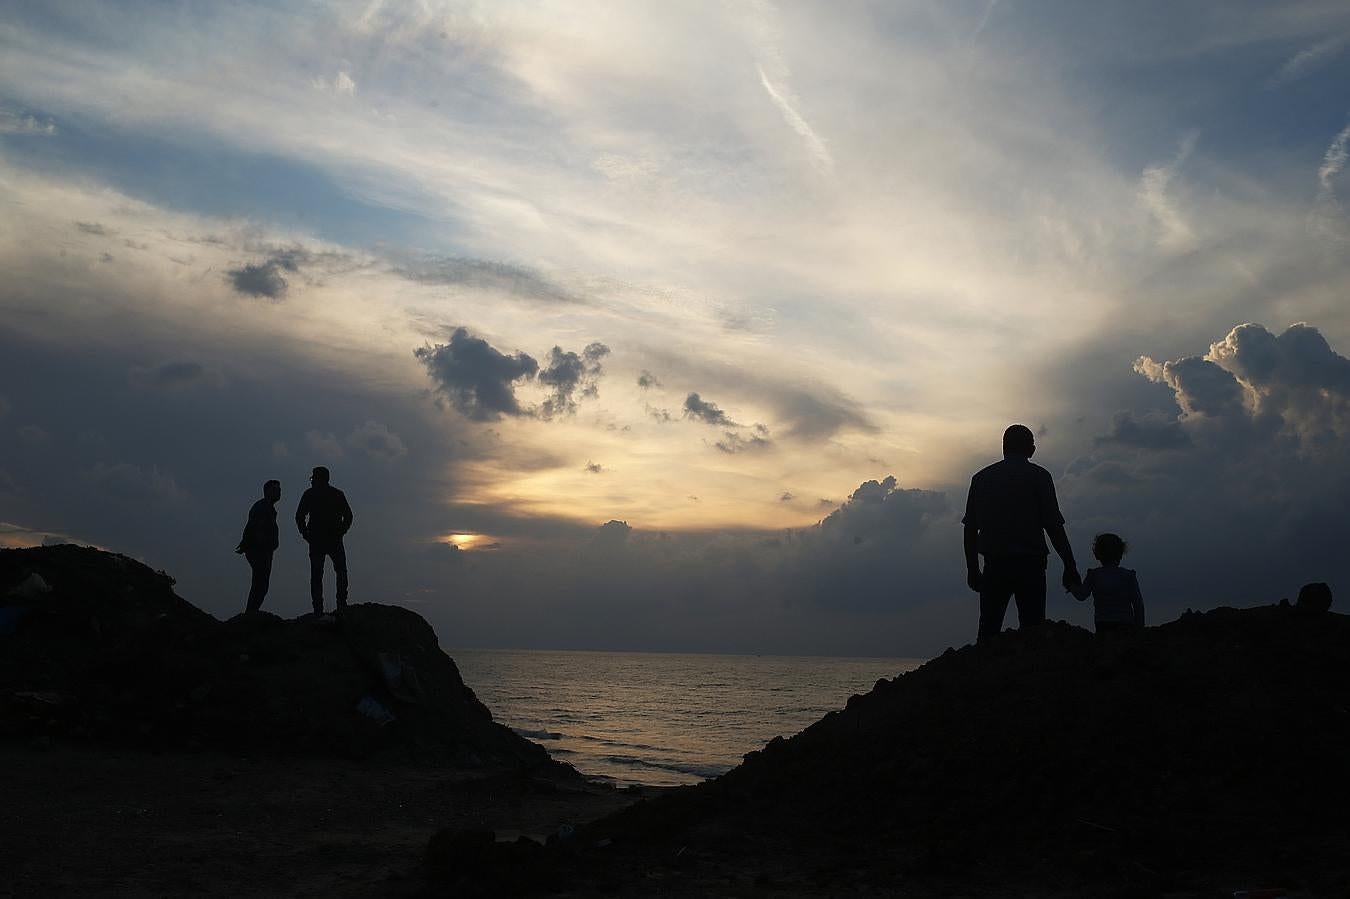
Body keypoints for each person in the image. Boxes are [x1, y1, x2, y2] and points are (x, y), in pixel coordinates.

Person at [963, 424, 1080, 642]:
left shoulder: (982, 478)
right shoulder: (1039, 477)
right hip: (1031, 564)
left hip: (995, 564)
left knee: (988, 630)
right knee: (1033, 629)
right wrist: (1069, 564)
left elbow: (970, 528)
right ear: (1030, 449)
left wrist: (972, 568)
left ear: (1004, 448)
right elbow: (1053, 525)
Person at [295, 466, 354, 615]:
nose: (312, 481)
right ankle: (341, 604)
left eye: (313, 478)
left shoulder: (311, 494)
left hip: (320, 540)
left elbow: (299, 516)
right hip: (329, 539)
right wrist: (341, 531)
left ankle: (319, 609)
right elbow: (348, 516)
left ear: (318, 479)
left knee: (318, 574)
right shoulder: (336, 494)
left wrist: (305, 533)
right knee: (339, 572)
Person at [1068, 533, 1144, 633]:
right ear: (1120, 554)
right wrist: (1140, 627)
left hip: (1103, 624)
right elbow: (1138, 603)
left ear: (1097, 555)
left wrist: (1071, 585)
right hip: (1126, 623)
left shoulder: (1094, 575)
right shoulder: (1128, 576)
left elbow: (1081, 595)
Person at [235, 479, 281, 613]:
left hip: (262, 550)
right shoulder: (262, 507)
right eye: (275, 489)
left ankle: (251, 612)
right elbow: (256, 528)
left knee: (260, 583)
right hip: (260, 550)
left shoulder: (267, 507)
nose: (278, 492)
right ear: (266, 491)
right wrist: (262, 546)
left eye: (279, 490)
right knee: (260, 583)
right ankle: (251, 613)